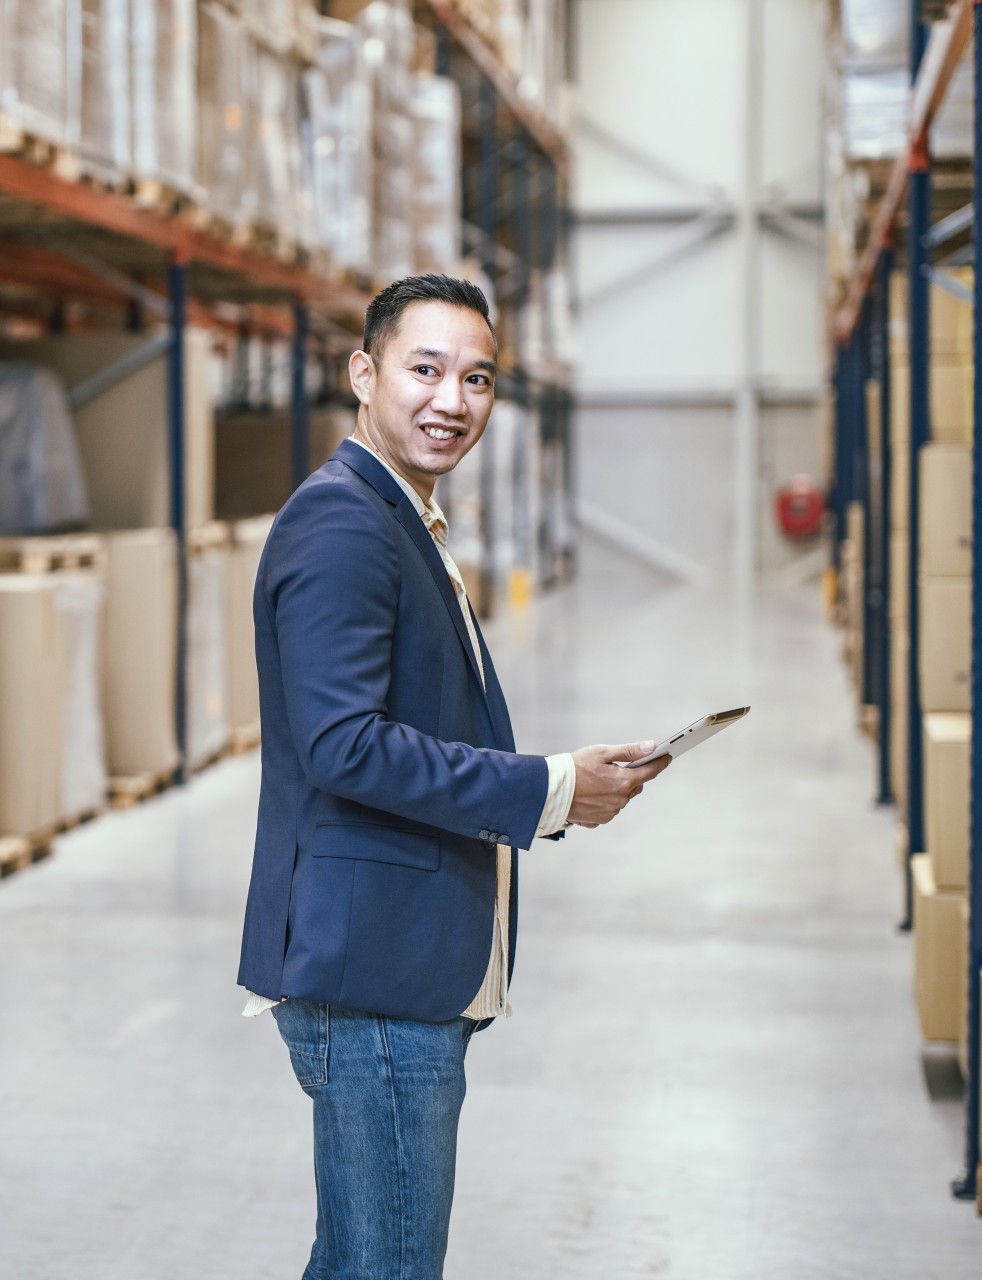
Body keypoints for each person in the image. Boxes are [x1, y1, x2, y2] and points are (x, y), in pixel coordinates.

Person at [237, 274, 670, 1279]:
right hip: (375, 975)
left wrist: (557, 784)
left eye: (477, 378)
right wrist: (550, 787)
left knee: (355, 1257)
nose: (452, 400)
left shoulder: (397, 516)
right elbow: (343, 743)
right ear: (363, 372)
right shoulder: (345, 524)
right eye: (424, 369)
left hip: (393, 965)